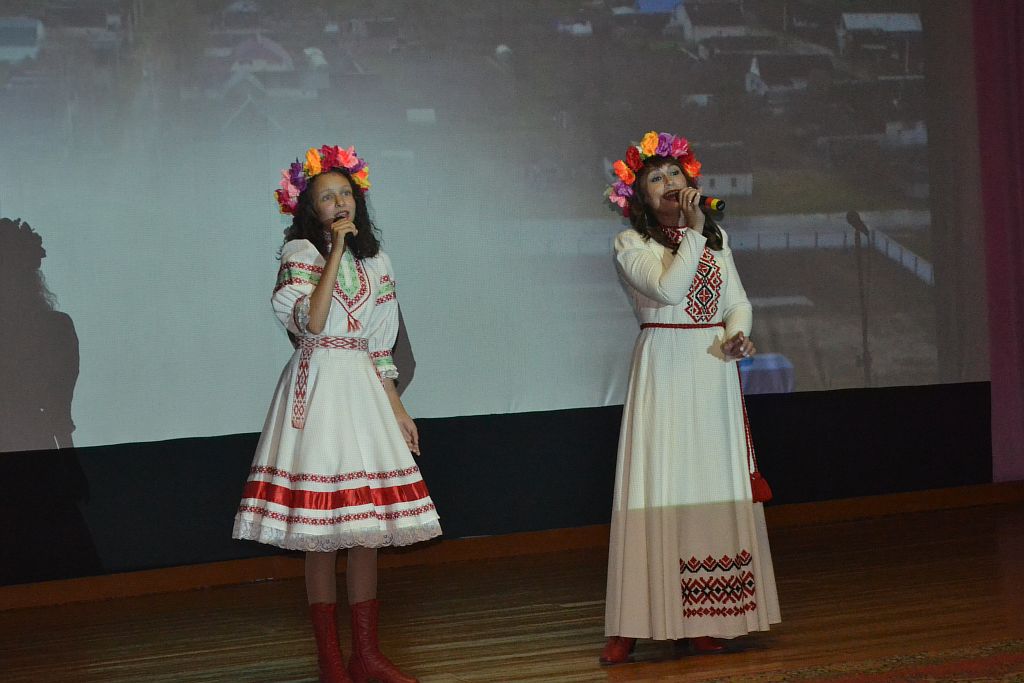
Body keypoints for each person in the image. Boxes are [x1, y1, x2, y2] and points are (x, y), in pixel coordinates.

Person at [232, 145, 441, 683]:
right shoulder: (300, 253)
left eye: (346, 193)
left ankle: (366, 654)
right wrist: (335, 252)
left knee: (366, 530)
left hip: (363, 389)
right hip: (320, 385)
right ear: (310, 208)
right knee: (321, 532)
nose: (340, 202)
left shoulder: (377, 261)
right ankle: (330, 659)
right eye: (327, 197)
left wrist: (397, 408)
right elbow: (313, 321)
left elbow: (380, 343)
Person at [601, 132, 781, 664]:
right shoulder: (631, 244)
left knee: (707, 486)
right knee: (657, 487)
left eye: (674, 174)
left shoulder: (716, 241)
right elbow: (669, 289)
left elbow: (737, 302)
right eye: (655, 178)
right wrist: (697, 233)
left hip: (712, 371)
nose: (668, 183)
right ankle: (634, 621)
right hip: (665, 367)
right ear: (638, 195)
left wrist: (737, 335)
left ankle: (705, 619)